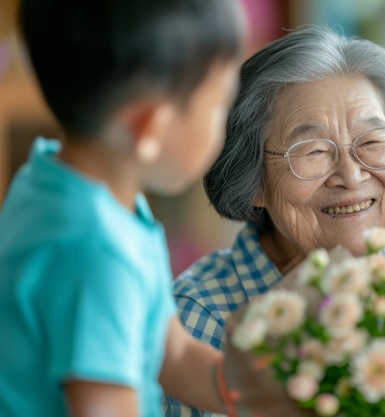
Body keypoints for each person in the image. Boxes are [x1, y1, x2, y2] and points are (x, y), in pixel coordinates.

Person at [164, 25, 385, 416]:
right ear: (254, 182)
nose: (351, 176)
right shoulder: (204, 317)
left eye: (372, 141)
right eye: (312, 151)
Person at [0, 0, 249, 415]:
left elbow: (173, 354)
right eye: (220, 103)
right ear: (151, 127)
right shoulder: (97, 251)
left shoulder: (56, 181)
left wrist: (255, 392)